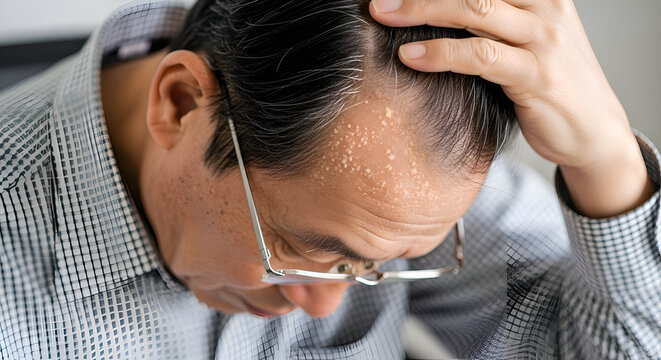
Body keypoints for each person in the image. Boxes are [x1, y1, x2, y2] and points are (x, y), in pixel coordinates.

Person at [0, 0, 659, 358]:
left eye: (382, 265)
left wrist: (605, 160)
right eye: (299, 251)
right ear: (178, 103)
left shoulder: (396, 161)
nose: (327, 305)